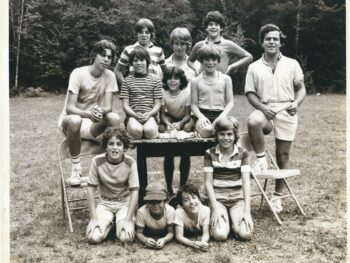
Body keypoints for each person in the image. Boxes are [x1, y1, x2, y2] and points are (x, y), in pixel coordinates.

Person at [245, 24, 306, 213]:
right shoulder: (254, 67)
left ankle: (277, 197)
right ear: (262, 42)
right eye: (268, 39)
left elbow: (301, 88)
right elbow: (250, 93)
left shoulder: (292, 63)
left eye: (275, 39)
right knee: (253, 121)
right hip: (266, 108)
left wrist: (296, 103)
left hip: (287, 109)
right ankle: (261, 159)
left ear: (280, 42)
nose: (272, 42)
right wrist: (263, 108)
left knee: (283, 155)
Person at [58, 40, 120, 186]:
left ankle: (109, 167)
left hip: (91, 125)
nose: (106, 59)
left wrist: (99, 111)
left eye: (110, 57)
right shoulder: (78, 73)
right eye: (102, 55)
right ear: (94, 55)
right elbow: (70, 108)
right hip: (71, 124)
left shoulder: (110, 75)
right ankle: (76, 170)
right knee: (75, 120)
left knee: (114, 118)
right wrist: (88, 113)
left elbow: (108, 107)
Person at [86, 128, 139, 244]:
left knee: (126, 238)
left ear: (124, 148)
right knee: (93, 238)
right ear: (105, 146)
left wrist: (128, 220)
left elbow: (135, 191)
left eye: (119, 144)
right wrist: (94, 218)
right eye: (111, 144)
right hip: (105, 203)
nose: (115, 147)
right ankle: (108, 224)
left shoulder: (131, 163)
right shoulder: (97, 161)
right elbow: (90, 189)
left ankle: (118, 224)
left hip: (124, 203)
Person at [204, 117, 253, 241]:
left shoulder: (243, 153)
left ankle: (233, 223)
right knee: (220, 235)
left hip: (237, 199)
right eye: (222, 134)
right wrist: (214, 208)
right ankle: (225, 224)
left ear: (235, 135)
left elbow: (246, 182)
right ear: (217, 135)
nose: (226, 138)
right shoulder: (209, 153)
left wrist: (247, 211)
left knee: (246, 234)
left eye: (229, 134)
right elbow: (208, 183)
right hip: (218, 199)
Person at [159, 66, 195, 197]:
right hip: (170, 118)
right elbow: (162, 115)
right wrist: (168, 124)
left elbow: (187, 115)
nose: (172, 81)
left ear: (181, 80)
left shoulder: (186, 92)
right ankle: (169, 187)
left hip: (184, 119)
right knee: (163, 132)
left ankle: (182, 186)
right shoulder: (163, 92)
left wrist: (180, 124)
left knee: (185, 148)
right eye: (169, 78)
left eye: (176, 78)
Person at [187, 11, 252, 76]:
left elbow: (249, 57)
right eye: (210, 24)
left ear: (221, 28)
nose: (213, 27)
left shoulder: (228, 44)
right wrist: (196, 69)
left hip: (220, 83)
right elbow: (189, 61)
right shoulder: (199, 45)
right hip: (203, 82)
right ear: (206, 28)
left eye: (216, 24)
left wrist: (231, 67)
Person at [191, 44, 234, 138]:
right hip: (203, 114)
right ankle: (198, 132)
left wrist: (221, 117)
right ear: (201, 60)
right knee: (208, 130)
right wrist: (201, 117)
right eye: (207, 59)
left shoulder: (226, 79)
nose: (210, 63)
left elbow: (230, 102)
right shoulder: (196, 81)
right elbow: (193, 105)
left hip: (221, 113)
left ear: (218, 60)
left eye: (213, 59)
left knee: (229, 131)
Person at [120, 46, 162, 140]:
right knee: (136, 130)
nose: (138, 63)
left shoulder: (155, 80)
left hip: (150, 115)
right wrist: (135, 115)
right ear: (131, 63)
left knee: (149, 130)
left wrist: (149, 114)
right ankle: (132, 133)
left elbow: (157, 104)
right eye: (135, 60)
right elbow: (125, 106)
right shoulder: (127, 81)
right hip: (133, 116)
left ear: (147, 61)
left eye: (142, 60)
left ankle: (153, 132)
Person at [114, 18, 166, 85]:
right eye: (140, 32)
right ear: (136, 34)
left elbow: (166, 71)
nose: (144, 35)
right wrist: (126, 86)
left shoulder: (158, 51)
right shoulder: (128, 50)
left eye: (147, 32)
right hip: (134, 90)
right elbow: (117, 70)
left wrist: (161, 84)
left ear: (151, 34)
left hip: (152, 91)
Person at [135, 182, 175, 249]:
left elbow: (171, 232)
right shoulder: (141, 212)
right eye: (151, 202)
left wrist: (164, 240)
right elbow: (139, 233)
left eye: (159, 201)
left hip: (164, 233)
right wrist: (145, 240)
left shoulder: (170, 211)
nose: (155, 205)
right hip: (148, 232)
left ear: (164, 201)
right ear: (146, 202)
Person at [174, 184, 210, 252]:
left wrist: (203, 242)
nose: (191, 202)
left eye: (194, 197)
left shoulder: (205, 211)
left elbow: (206, 233)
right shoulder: (179, 212)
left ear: (198, 199)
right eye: (186, 200)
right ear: (181, 205)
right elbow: (178, 236)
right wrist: (192, 244)